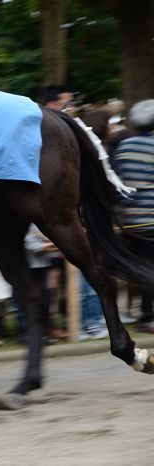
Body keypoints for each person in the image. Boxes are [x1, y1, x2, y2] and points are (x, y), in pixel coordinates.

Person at [111, 99, 154, 333]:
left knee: (140, 266)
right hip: (151, 216)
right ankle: (147, 316)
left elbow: (116, 180)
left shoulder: (124, 146)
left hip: (129, 219)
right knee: (149, 267)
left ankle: (144, 314)